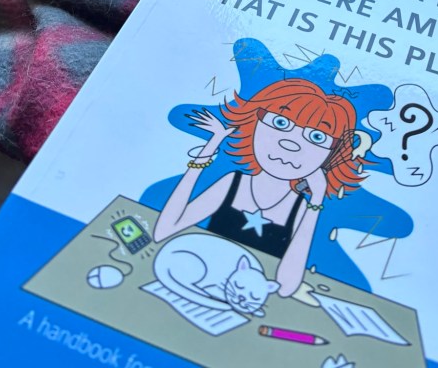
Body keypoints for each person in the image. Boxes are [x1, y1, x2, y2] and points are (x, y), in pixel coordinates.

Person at [153, 78, 364, 297]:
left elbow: (286, 287)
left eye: (316, 137)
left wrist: (317, 199)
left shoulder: (299, 207)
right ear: (255, 122)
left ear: (331, 155)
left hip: (245, 301)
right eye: (281, 123)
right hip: (195, 283)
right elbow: (164, 231)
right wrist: (211, 145)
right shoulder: (233, 183)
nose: (290, 143)